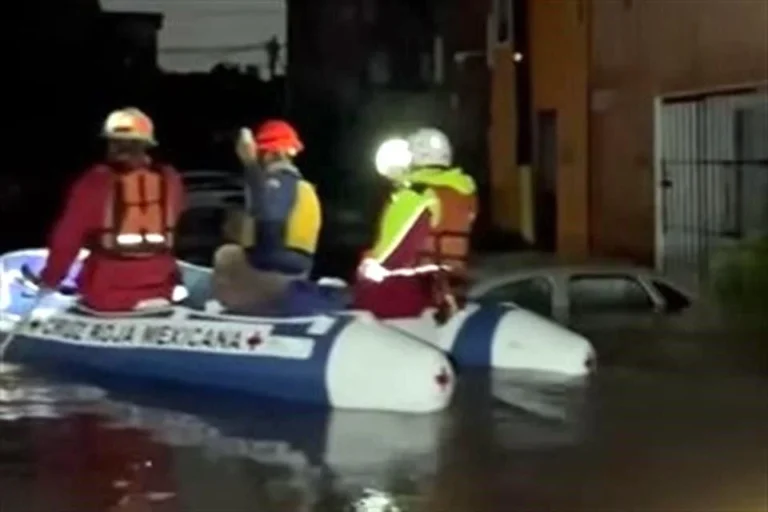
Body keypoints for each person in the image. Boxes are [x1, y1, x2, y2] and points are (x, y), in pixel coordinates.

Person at [36, 107, 185, 312]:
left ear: (112, 144)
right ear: (146, 144)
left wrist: (50, 280)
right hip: (161, 288)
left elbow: (67, 239)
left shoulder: (96, 182)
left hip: (107, 294)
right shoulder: (171, 178)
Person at [352, 128, 477, 321]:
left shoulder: (415, 194)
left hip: (411, 285)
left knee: (359, 290)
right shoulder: (462, 192)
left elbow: (388, 252)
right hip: (448, 281)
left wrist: (366, 261)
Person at [212, 119, 323, 314]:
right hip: (300, 272)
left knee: (224, 256)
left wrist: (250, 164)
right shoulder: (304, 187)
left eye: (261, 153)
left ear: (270, 153)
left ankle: (232, 310)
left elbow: (268, 217)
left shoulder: (276, 182)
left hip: (270, 269)